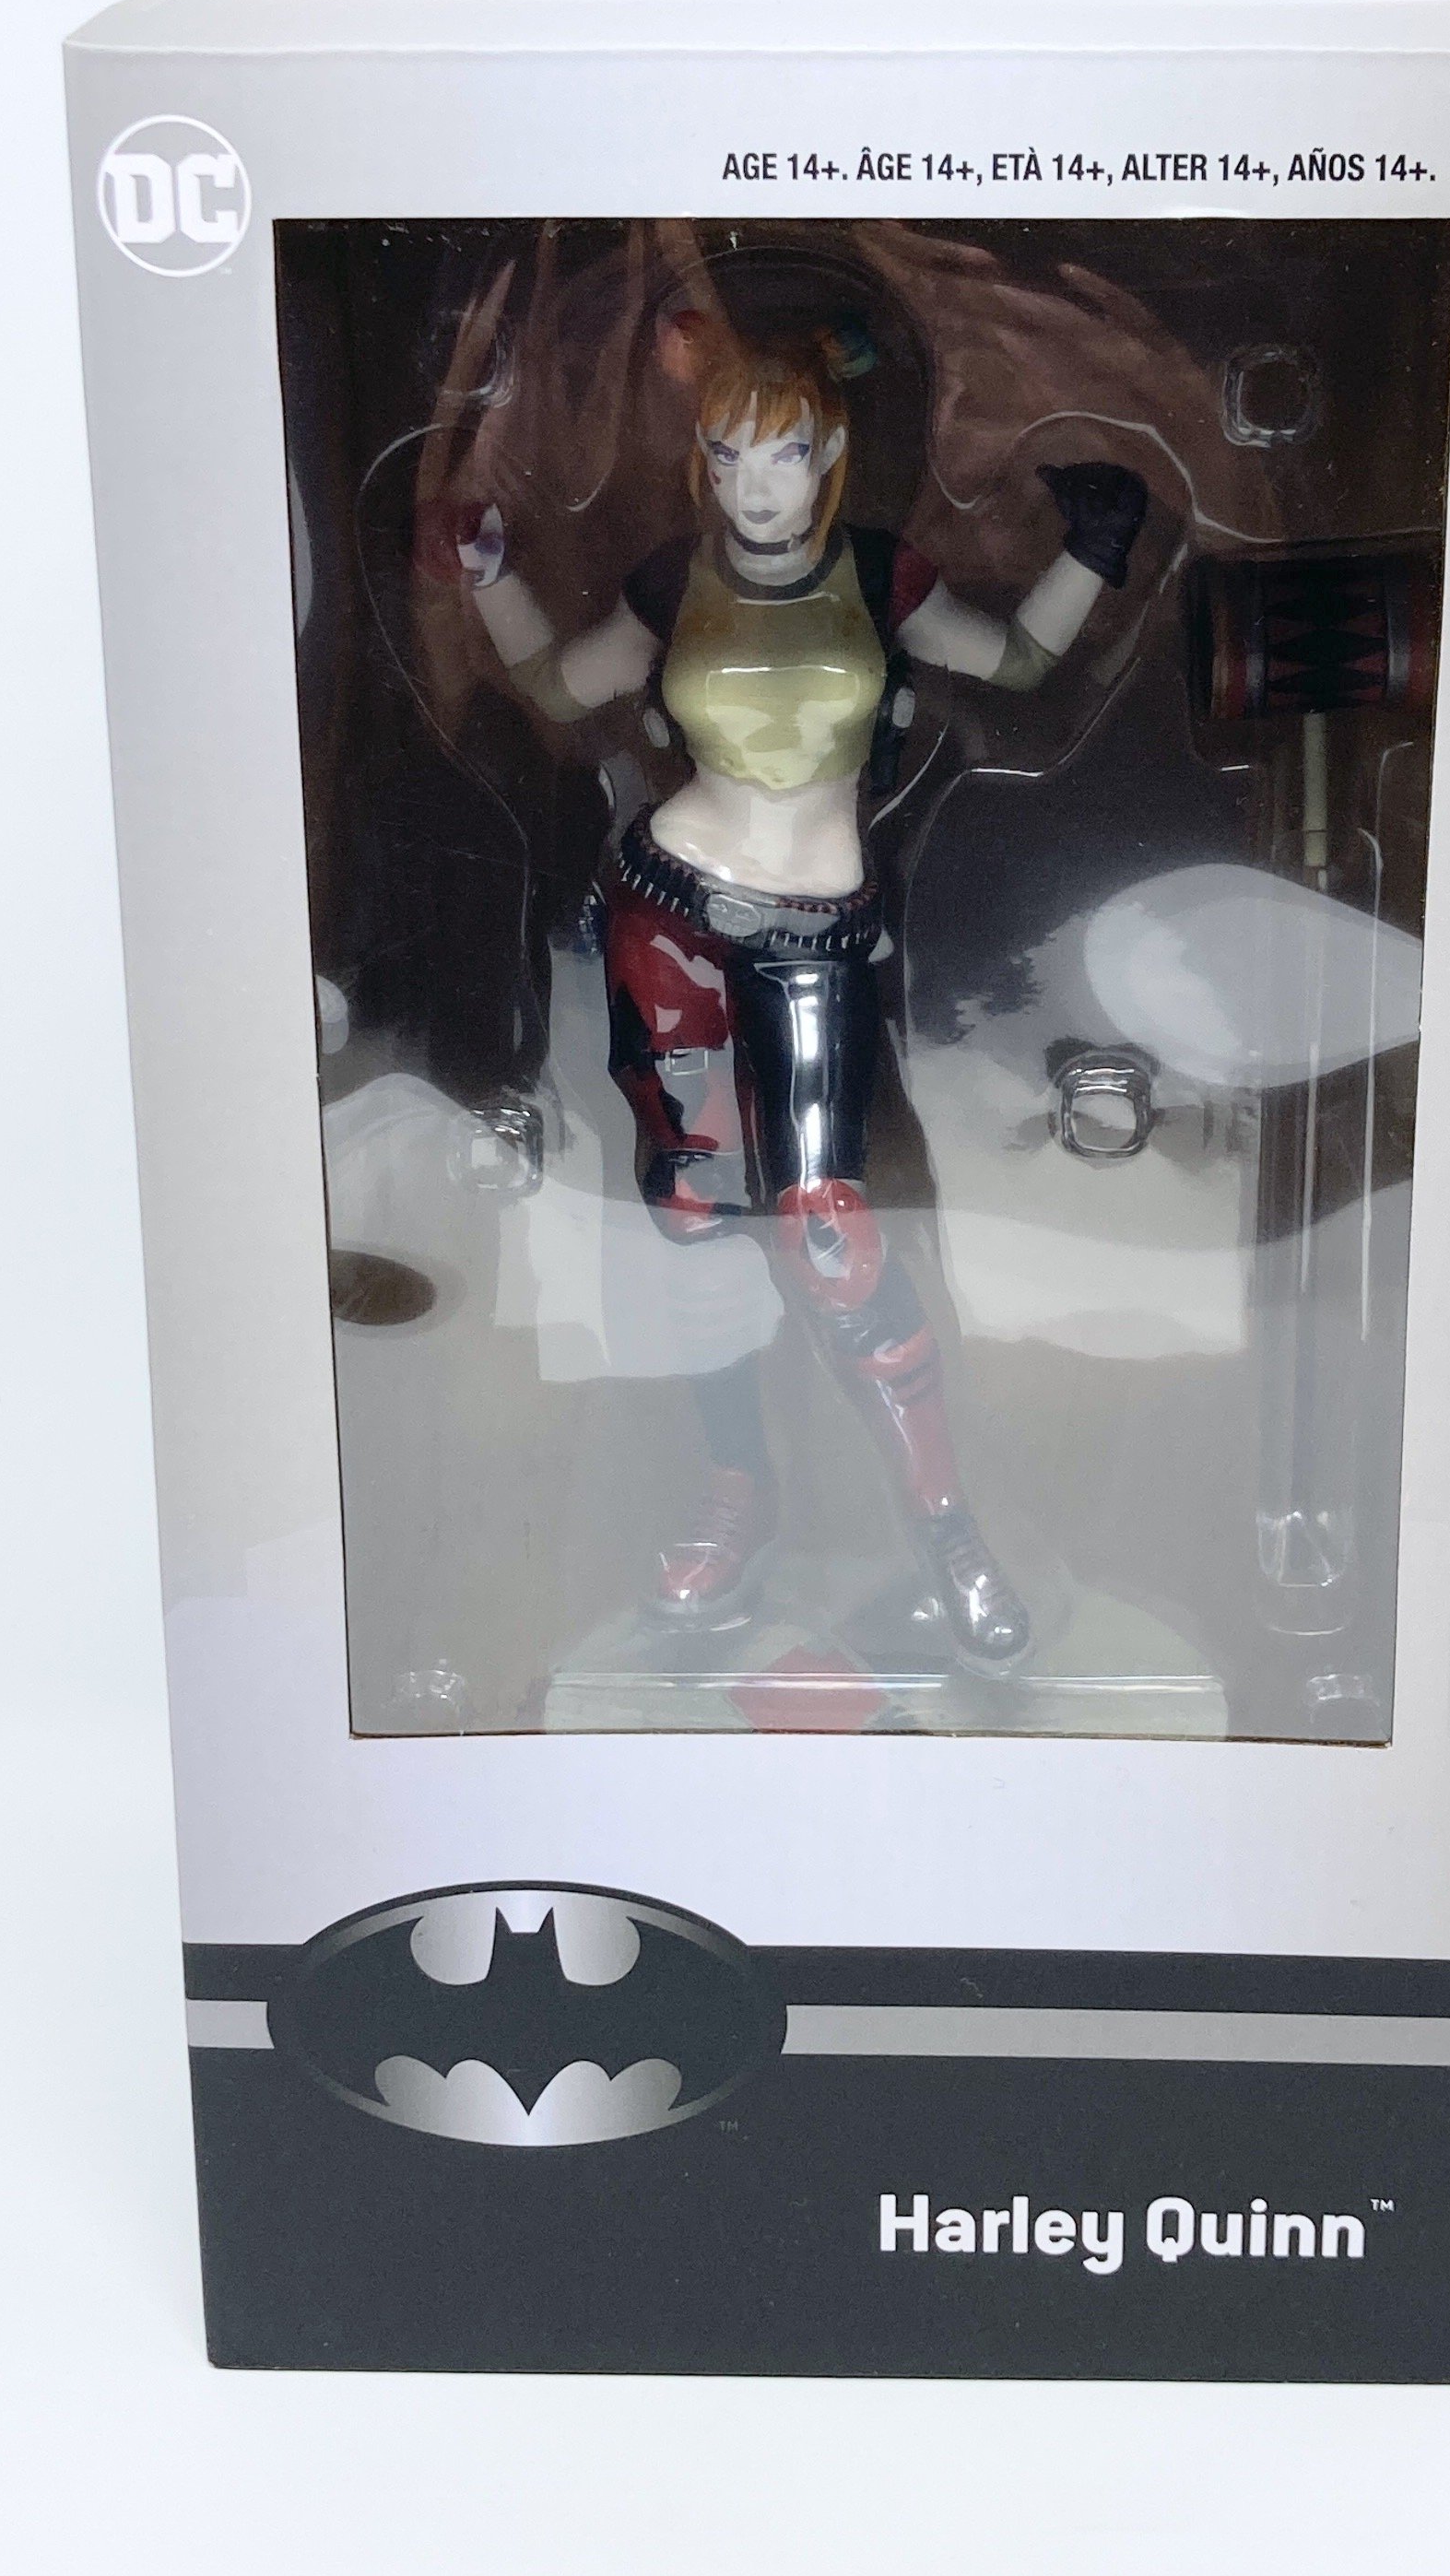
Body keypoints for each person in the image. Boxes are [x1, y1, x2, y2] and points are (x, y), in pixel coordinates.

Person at [453, 314, 1147, 1668]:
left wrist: (1096, 549)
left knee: (832, 1235)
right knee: (695, 1226)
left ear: (829, 455)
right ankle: (739, 1494)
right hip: (666, 917)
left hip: (816, 934)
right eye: (724, 455)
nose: (748, 483)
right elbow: (554, 686)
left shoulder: (881, 576)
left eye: (777, 454)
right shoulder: (675, 582)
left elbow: (1016, 662)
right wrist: (488, 572)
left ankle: (947, 1530)